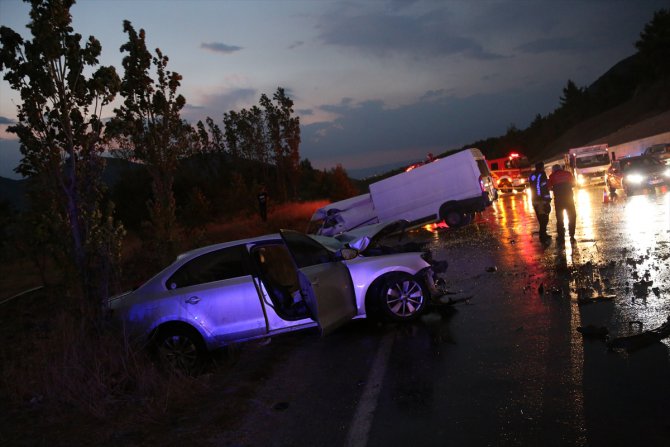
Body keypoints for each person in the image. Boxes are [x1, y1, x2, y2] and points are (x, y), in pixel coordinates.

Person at [548, 164, 577, 242]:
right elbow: (574, 184)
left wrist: (555, 189)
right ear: (561, 168)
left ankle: (561, 236)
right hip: (569, 199)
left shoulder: (552, 176)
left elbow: (549, 187)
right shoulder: (568, 174)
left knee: (560, 218)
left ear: (553, 170)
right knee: (572, 216)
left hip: (559, 200)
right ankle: (572, 234)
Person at [528, 161, 552, 243]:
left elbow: (532, 186)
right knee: (544, 217)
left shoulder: (531, 175)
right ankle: (543, 235)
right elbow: (544, 187)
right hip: (541, 200)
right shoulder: (542, 174)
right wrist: (547, 199)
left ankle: (543, 234)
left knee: (540, 217)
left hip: (534, 199)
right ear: (541, 167)